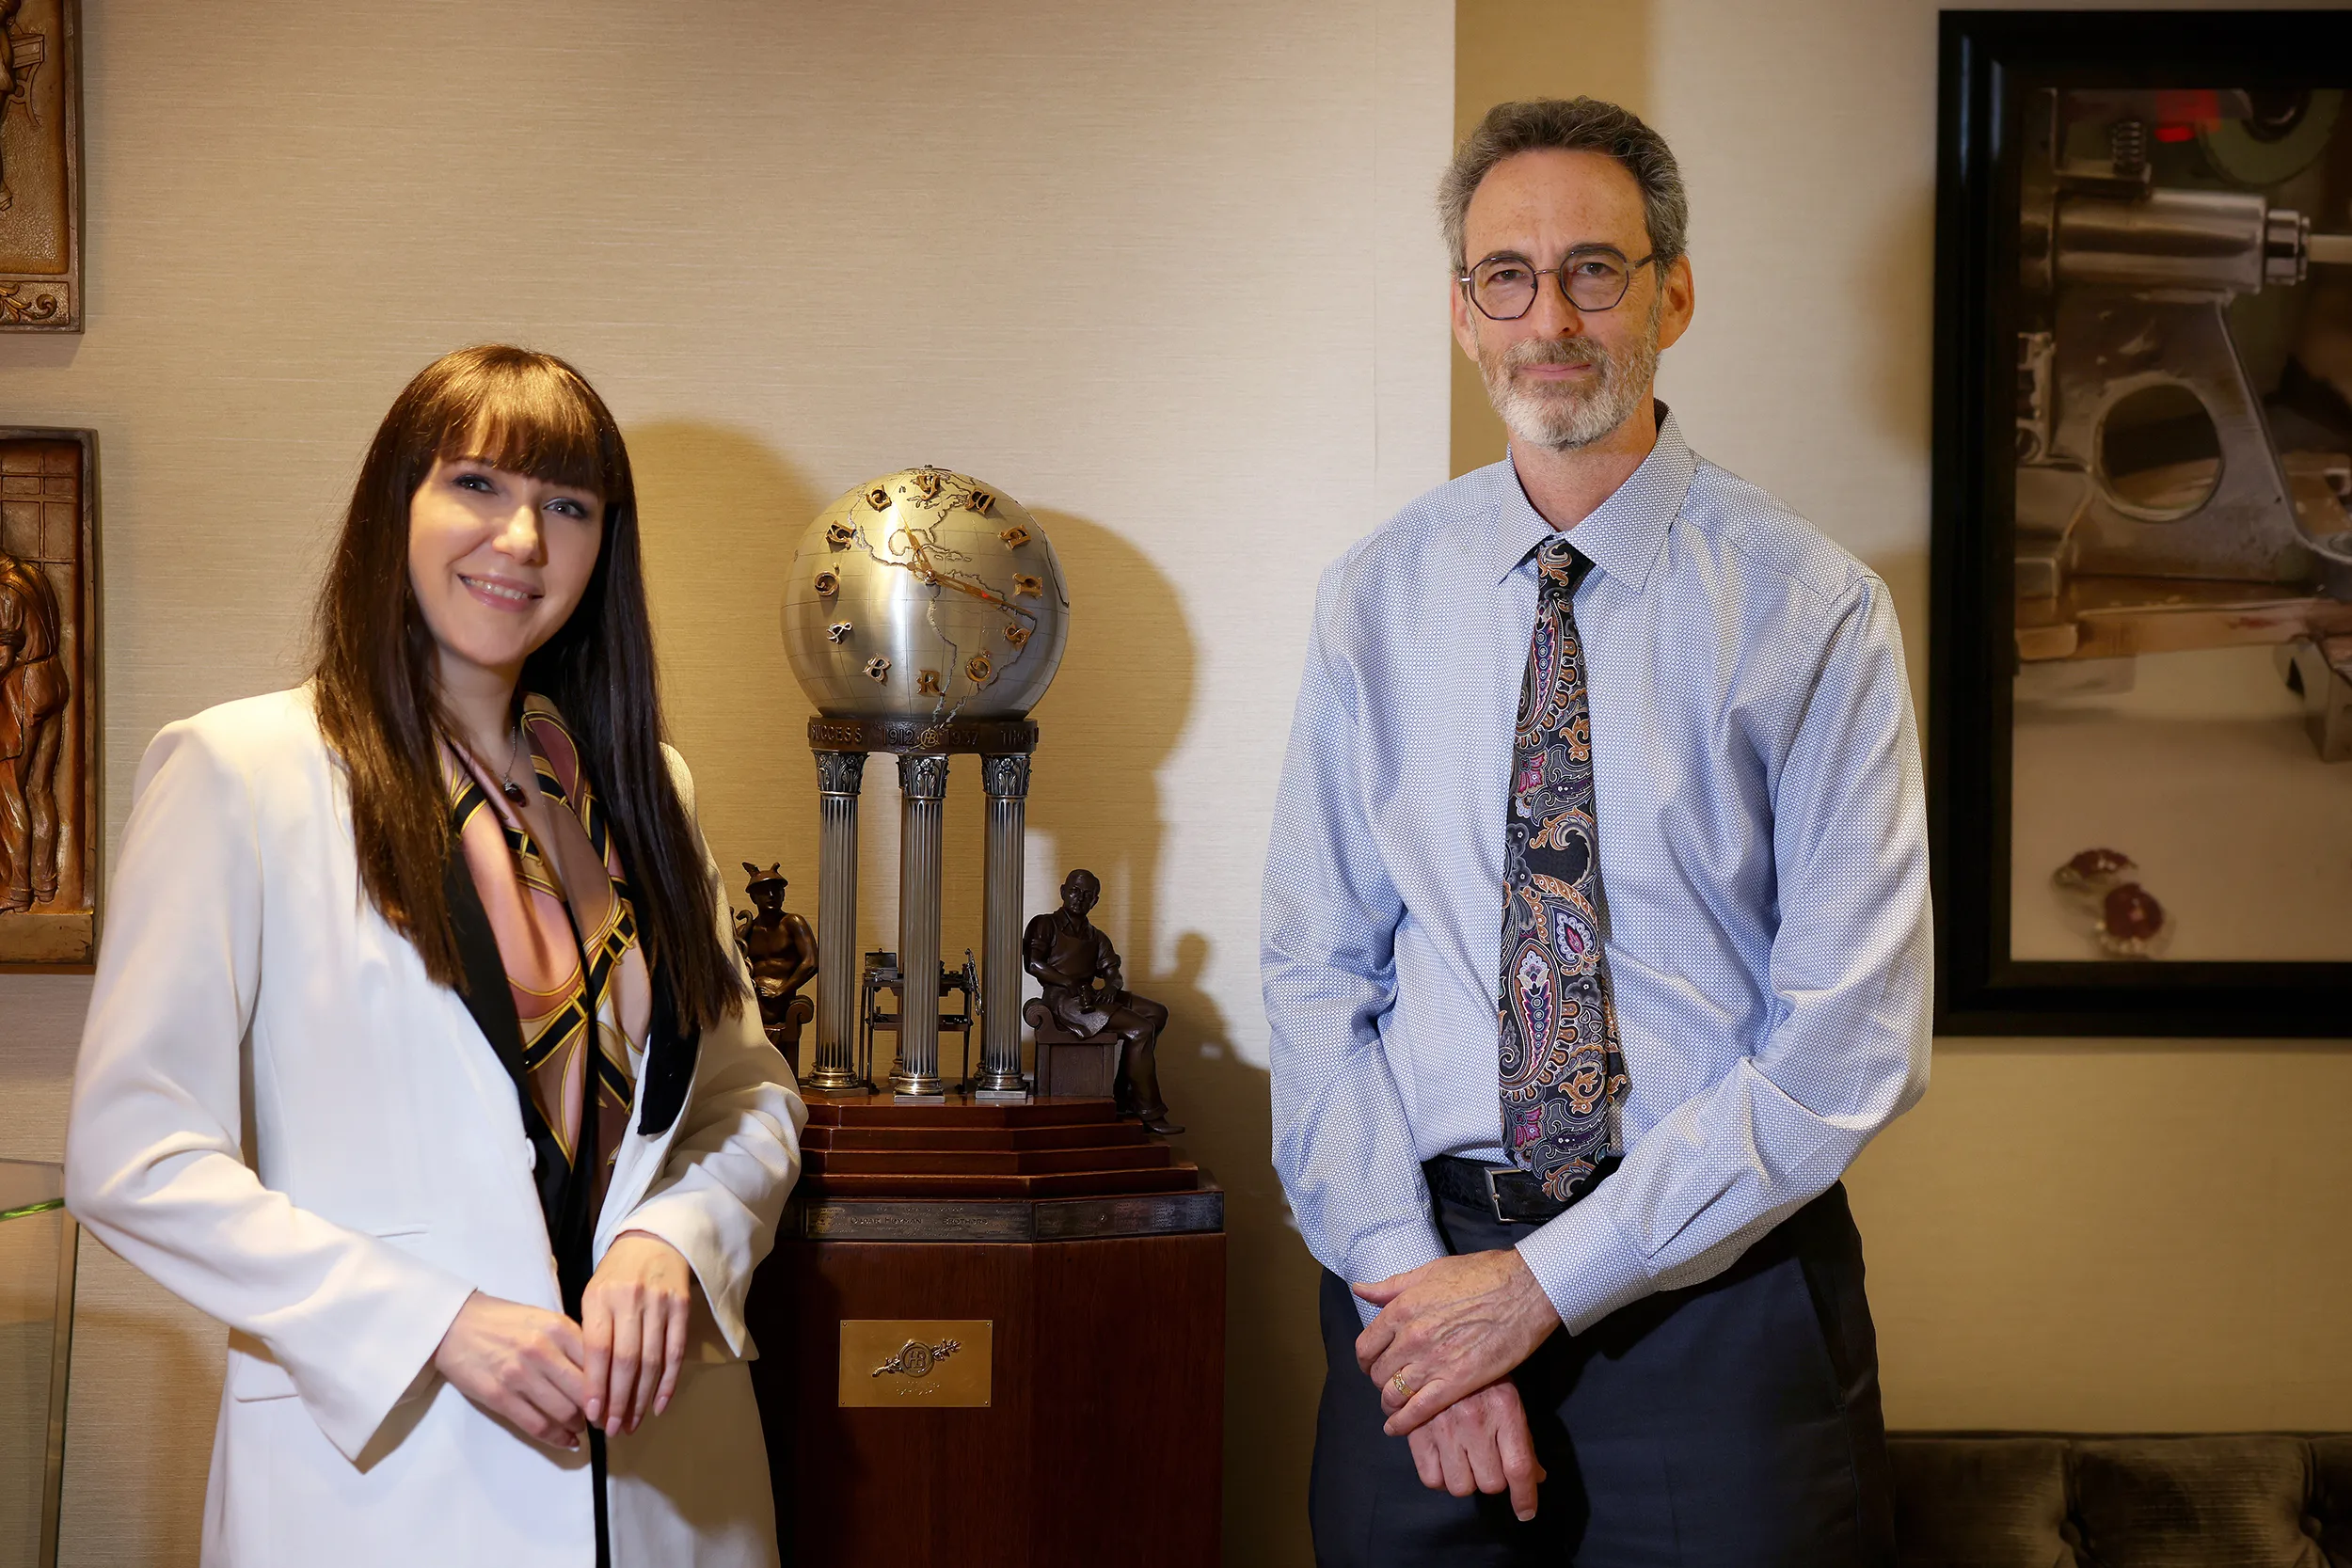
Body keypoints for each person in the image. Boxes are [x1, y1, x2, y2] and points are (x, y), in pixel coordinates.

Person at [1263, 98, 1929, 1565]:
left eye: (1595, 271)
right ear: (1461, 310)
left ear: (1673, 292)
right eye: (1507, 274)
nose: (1548, 315)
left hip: (1716, 1295)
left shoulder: (1812, 610)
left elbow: (1848, 1044)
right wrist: (1415, 1297)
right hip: (1419, 1269)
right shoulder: (1374, 598)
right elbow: (1318, 977)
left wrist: (1541, 1287)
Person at [65, 344, 806, 1568]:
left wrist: (674, 1236)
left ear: (601, 546)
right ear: (392, 509)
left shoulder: (642, 790)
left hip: (671, 1480)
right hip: (391, 1483)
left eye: (567, 505)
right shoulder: (243, 771)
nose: (521, 538)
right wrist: (437, 1323)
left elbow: (747, 1096)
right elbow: (131, 1153)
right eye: (476, 485)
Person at [1023, 868, 1181, 1133]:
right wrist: (1068, 982)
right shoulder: (1045, 924)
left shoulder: (1096, 936)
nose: (1079, 898)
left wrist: (1111, 985)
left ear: (1095, 900)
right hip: (1064, 1001)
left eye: (1087, 895)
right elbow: (1033, 963)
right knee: (1140, 1029)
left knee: (1156, 1013)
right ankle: (1148, 1112)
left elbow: (1112, 971)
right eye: (1074, 891)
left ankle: (1123, 1089)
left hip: (1090, 994)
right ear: (1063, 891)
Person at [0, 543, 67, 909]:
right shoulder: (33, 576)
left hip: (25, 686)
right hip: (53, 678)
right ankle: (46, 884)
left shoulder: (4, 588)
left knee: (8, 788)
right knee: (40, 789)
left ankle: (16, 890)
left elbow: (2, 655)